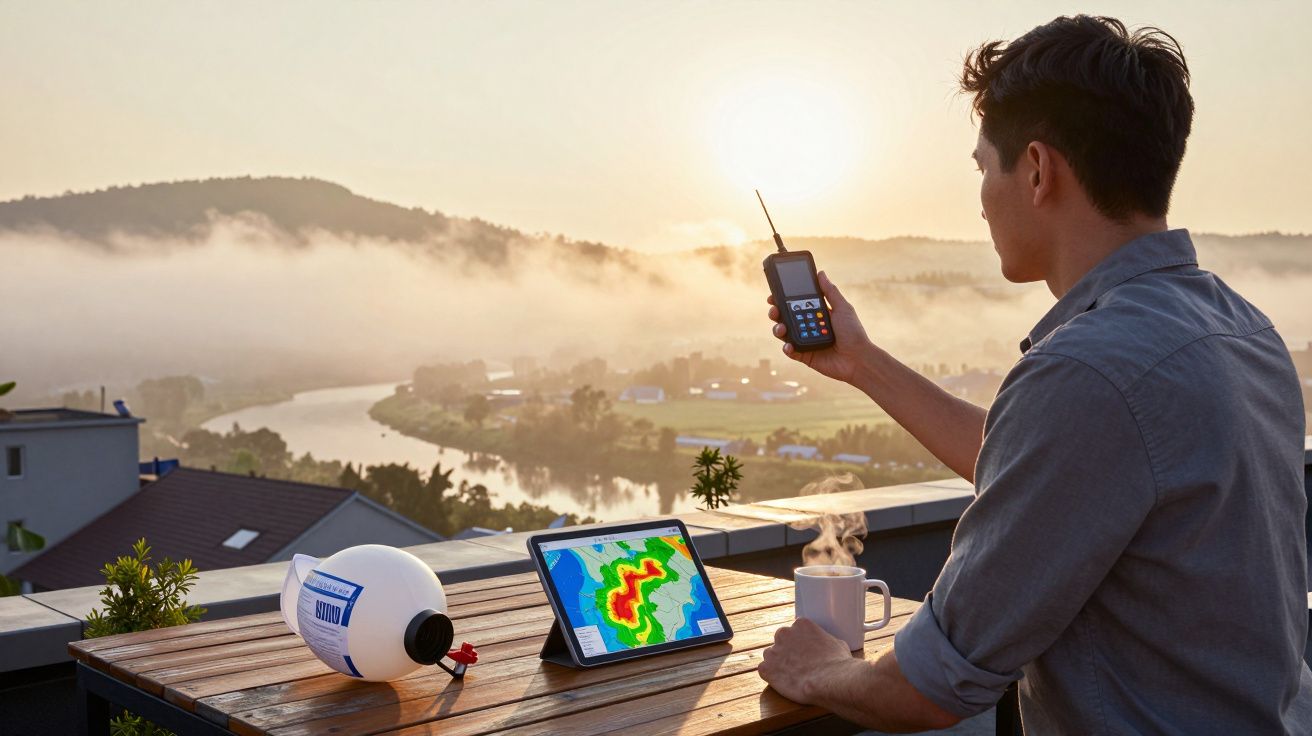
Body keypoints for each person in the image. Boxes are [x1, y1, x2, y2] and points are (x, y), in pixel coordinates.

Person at [756, 14, 1312, 733]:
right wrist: (863, 363)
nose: (983, 196)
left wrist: (820, 667)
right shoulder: (1242, 330)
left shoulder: (1087, 372)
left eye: (986, 167)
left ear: (1040, 170)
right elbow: (1058, 468)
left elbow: (930, 686)